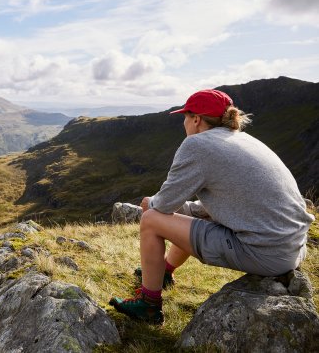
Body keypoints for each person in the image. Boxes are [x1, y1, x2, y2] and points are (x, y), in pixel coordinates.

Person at [109, 89, 315, 325]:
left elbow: (164, 205)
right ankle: (164, 272)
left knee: (151, 220)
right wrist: (184, 209)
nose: (184, 123)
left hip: (265, 254)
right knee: (182, 214)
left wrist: (151, 204)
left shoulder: (197, 145)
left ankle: (148, 305)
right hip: (293, 247)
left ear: (196, 119)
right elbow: (227, 204)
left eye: (185, 116)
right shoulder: (244, 139)